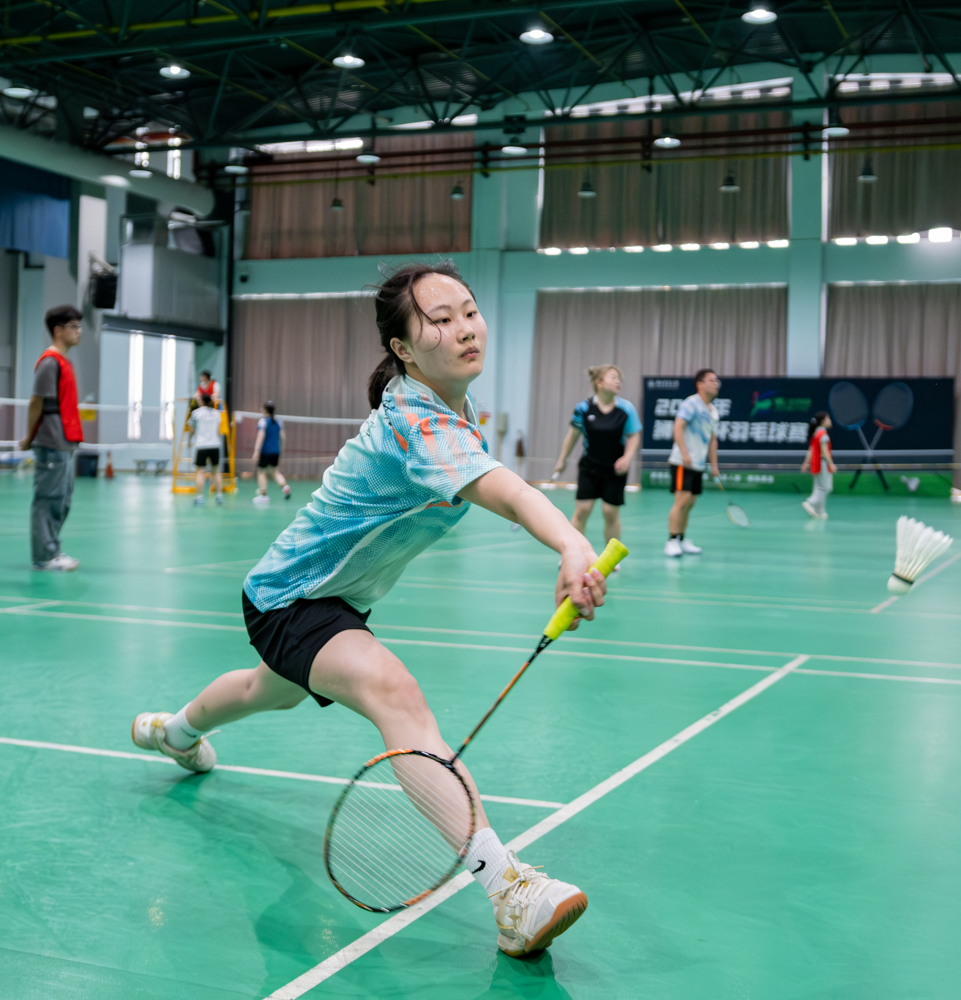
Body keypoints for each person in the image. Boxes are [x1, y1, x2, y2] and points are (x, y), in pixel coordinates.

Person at [129, 262, 604, 957]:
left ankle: (174, 732)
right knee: (394, 693)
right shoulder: (416, 421)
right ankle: (510, 892)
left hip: (327, 599)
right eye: (440, 319)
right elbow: (505, 491)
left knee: (273, 690)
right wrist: (569, 541)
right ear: (404, 350)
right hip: (293, 597)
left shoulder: (454, 411)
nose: (465, 327)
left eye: (469, 310)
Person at [18, 305, 83, 571]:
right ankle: (44, 556)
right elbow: (36, 403)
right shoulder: (49, 362)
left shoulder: (64, 362)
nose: (79, 332)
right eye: (74, 327)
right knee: (48, 499)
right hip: (50, 439)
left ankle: (52, 549)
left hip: (64, 441)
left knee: (62, 499)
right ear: (58, 330)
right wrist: (28, 436)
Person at [551, 365, 641, 552]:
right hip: (590, 466)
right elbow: (573, 435)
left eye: (619, 379)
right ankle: (573, 553)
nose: (618, 382)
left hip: (615, 468)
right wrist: (562, 459)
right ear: (599, 383)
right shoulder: (583, 408)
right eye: (613, 377)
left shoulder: (626, 409)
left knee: (610, 513)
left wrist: (627, 457)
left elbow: (634, 435)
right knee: (582, 510)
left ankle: (610, 556)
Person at [664, 368, 721, 558]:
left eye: (717, 380)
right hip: (683, 462)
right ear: (700, 384)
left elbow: (713, 440)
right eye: (711, 380)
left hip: (698, 464)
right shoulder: (690, 404)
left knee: (690, 503)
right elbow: (678, 427)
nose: (716, 383)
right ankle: (671, 541)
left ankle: (681, 539)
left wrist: (714, 466)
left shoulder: (713, 412)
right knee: (681, 501)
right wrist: (685, 453)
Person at [251, 401, 290, 505]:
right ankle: (285, 486)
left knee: (261, 472)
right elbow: (283, 437)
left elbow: (261, 436)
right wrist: (281, 451)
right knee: (274, 471)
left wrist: (256, 451)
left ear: (264, 410)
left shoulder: (263, 422)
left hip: (265, 451)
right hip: (276, 451)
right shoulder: (279, 422)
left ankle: (263, 495)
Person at [189, 396, 224, 505]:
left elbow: (191, 429)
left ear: (202, 401)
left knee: (200, 472)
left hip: (202, 446)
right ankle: (219, 496)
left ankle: (199, 497)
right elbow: (218, 431)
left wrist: (190, 440)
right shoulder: (217, 413)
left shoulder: (196, 413)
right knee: (216, 471)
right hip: (215, 445)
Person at [802, 410, 836, 519]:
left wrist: (806, 463)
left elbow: (810, 450)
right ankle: (810, 503)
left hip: (816, 464)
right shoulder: (823, 434)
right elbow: (824, 451)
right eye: (828, 418)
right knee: (826, 487)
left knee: (820, 487)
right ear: (823, 421)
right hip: (823, 464)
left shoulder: (816, 433)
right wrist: (831, 464)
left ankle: (819, 511)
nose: (830, 421)